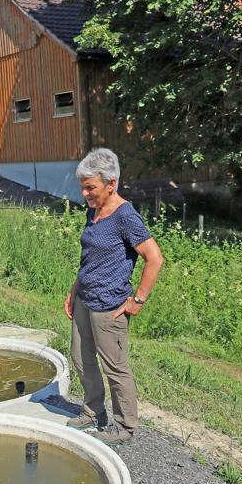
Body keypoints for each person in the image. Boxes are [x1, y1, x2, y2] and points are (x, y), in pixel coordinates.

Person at [64, 148, 164, 445]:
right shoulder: (93, 211)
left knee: (115, 367)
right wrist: (74, 289)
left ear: (112, 184)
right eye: (82, 186)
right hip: (85, 297)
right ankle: (94, 412)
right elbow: (89, 257)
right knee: (81, 358)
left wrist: (138, 300)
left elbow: (154, 258)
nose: (84, 193)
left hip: (110, 306)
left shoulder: (126, 216)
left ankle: (125, 426)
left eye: (90, 187)